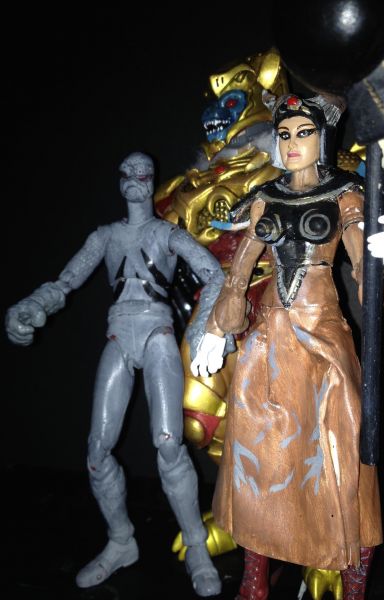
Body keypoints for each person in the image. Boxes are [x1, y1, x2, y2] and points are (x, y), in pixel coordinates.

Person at [191, 95, 384, 600]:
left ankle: (352, 583)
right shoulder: (265, 198)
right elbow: (239, 274)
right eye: (285, 134)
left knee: (345, 456)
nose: (292, 143)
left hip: (323, 336)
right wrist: (217, 329)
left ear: (322, 138)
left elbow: (368, 284)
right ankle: (254, 581)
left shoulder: (346, 197)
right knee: (258, 456)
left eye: (303, 133)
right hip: (267, 342)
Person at [5, 152, 222, 596]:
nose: (136, 180)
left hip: (159, 332)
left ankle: (196, 545)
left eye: (144, 174)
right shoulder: (104, 237)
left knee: (168, 441)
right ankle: (121, 540)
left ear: (151, 180)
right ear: (121, 181)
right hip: (119, 333)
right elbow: (65, 282)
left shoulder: (167, 233)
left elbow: (215, 274)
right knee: (97, 449)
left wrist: (205, 327)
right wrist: (32, 306)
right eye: (129, 174)